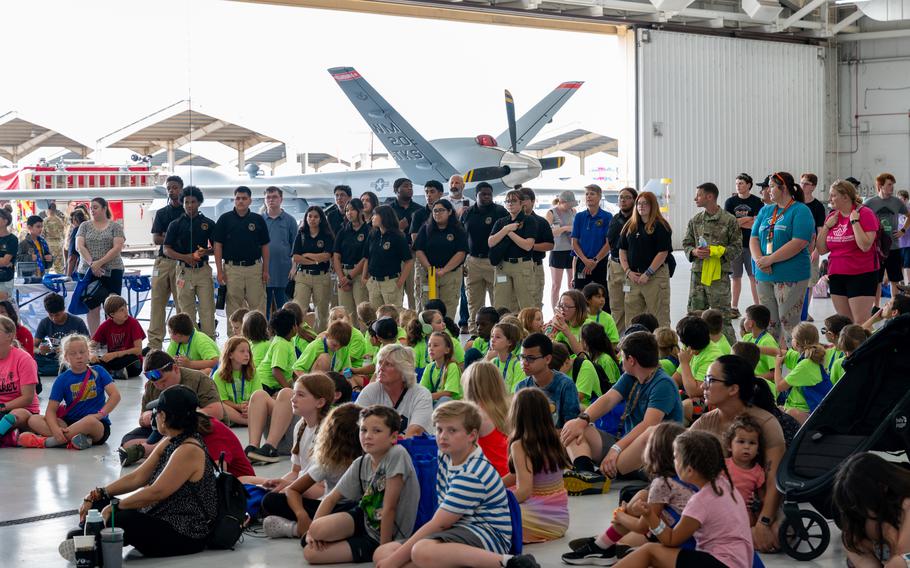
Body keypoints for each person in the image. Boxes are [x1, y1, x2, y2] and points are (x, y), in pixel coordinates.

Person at [372, 401, 539, 568]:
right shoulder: (446, 454)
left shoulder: (472, 472)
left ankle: (509, 563)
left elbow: (439, 523)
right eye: (439, 429)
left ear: (472, 435)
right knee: (383, 552)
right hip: (456, 530)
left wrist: (393, 562)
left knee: (420, 552)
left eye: (452, 430)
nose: (443, 436)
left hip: (485, 536)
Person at [67, 385, 218, 559]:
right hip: (160, 515)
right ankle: (90, 537)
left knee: (122, 519)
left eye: (157, 411)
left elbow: (156, 492)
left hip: (184, 531)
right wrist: (100, 493)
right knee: (100, 504)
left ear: (164, 416)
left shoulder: (189, 449)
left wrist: (115, 507)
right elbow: (137, 477)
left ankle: (90, 543)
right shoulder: (171, 439)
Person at [560, 331, 683, 493]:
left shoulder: (663, 384)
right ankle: (588, 474)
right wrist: (581, 421)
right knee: (572, 426)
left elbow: (648, 425)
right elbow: (608, 399)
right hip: (627, 446)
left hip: (652, 455)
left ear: (631, 360)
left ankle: (605, 473)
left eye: (622, 355)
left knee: (651, 434)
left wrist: (616, 449)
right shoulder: (631, 376)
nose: (619, 358)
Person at [614, 430, 753, 568]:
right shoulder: (725, 484)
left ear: (690, 470)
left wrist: (649, 515)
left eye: (675, 457)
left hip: (722, 563)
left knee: (649, 552)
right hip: (741, 561)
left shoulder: (700, 501)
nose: (673, 461)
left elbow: (670, 539)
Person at [690, 354, 786, 552]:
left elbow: (773, 481)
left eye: (710, 380)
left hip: (755, 507)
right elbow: (679, 462)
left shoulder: (766, 423)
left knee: (778, 536)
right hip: (712, 505)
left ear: (733, 389)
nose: (703, 386)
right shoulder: (705, 422)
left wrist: (764, 523)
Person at [303, 405, 420, 564]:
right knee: (314, 533)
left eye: (376, 431)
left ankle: (353, 543)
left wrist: (384, 549)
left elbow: (389, 508)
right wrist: (311, 534)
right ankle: (330, 536)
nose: (368, 436)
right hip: (363, 519)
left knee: (312, 554)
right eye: (363, 430)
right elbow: (330, 499)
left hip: (386, 535)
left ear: (393, 437)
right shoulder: (361, 462)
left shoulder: (397, 454)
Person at [562, 422, 690, 566]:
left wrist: (621, 515)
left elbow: (642, 526)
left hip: (678, 542)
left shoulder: (661, 484)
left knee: (635, 504)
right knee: (641, 495)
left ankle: (602, 546)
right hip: (685, 536)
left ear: (653, 453)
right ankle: (606, 546)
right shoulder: (685, 478)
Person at [261, 403, 364, 539]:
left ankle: (296, 529)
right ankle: (312, 528)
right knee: (270, 500)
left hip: (357, 509)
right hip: (331, 509)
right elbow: (292, 490)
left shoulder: (369, 458)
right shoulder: (329, 462)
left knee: (361, 512)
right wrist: (301, 514)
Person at [117, 351, 224, 467]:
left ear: (175, 368)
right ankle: (164, 449)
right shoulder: (152, 385)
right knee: (127, 441)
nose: (159, 386)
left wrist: (181, 416)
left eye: (164, 381)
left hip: (196, 427)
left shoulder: (199, 380)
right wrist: (146, 417)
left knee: (183, 434)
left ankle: (151, 450)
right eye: (156, 383)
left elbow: (217, 412)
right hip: (164, 429)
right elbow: (141, 419)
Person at [19, 334, 120, 449]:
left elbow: (115, 396)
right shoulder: (62, 379)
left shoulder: (99, 371)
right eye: (73, 353)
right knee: (33, 419)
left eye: (82, 352)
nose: (79, 356)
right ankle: (76, 439)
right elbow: (51, 411)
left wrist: (100, 415)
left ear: (88, 353)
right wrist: (55, 429)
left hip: (97, 425)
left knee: (89, 421)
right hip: (69, 423)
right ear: (66, 357)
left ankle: (47, 442)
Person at [750, 172, 815, 345]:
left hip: (790, 275)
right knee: (768, 324)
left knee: (788, 322)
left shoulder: (800, 210)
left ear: (783, 187)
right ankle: (773, 365)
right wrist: (759, 260)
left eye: (771, 187)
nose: (767, 190)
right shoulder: (766, 210)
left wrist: (770, 259)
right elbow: (754, 238)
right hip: (764, 275)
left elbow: (799, 242)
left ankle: (798, 363)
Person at [503, 388, 571, 543]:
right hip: (560, 518)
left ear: (516, 414)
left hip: (539, 517)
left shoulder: (520, 445)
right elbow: (519, 474)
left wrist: (495, 499)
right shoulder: (553, 439)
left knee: (485, 515)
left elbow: (525, 491)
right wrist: (494, 486)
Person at [682, 182, 741, 343]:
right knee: (694, 316)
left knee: (721, 317)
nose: (695, 198)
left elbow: (737, 247)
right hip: (698, 275)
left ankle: (728, 355)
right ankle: (694, 351)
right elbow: (687, 243)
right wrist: (694, 252)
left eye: (698, 195)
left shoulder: (729, 220)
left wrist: (717, 252)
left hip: (719, 277)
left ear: (710, 197)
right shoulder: (695, 220)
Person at [816, 179, 879, 324]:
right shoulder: (833, 216)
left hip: (861, 274)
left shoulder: (865, 213)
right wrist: (826, 227)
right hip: (837, 274)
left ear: (845, 197)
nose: (830, 199)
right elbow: (821, 249)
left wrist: (854, 222)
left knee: (861, 323)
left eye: (833, 195)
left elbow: (865, 246)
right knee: (845, 323)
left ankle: (867, 347)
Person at [833, 452, 910, 568]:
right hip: (889, 552)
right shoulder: (862, 514)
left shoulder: (906, 503)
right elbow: (852, 541)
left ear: (883, 486)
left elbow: (903, 551)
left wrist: (888, 532)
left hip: (902, 553)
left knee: (898, 563)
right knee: (853, 542)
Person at [163, 185, 216, 337]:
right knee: (186, 311)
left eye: (193, 202)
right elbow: (166, 249)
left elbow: (217, 249)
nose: (189, 205)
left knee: (207, 309)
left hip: (203, 270)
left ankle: (210, 345)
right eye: (186, 202)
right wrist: (185, 257)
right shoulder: (175, 224)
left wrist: (205, 251)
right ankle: (191, 345)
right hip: (183, 271)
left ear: (199, 202)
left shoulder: (208, 223)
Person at [213, 185, 271, 319]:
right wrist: (219, 271)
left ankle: (259, 338)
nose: (240, 201)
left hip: (254, 269)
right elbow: (218, 246)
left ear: (250, 200)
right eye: (237, 198)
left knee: (258, 308)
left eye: (244, 198)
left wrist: (265, 270)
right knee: (234, 309)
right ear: (234, 200)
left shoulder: (258, 219)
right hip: (232, 269)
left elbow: (265, 246)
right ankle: (234, 338)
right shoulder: (225, 219)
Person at [355, 343, 433, 437]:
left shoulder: (421, 394)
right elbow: (354, 424)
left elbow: (415, 433)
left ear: (403, 369)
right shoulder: (371, 390)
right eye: (380, 362)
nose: (381, 368)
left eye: (388, 364)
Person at [619, 192, 673, 327]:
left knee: (659, 317)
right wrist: (628, 272)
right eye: (639, 203)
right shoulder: (630, 226)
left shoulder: (660, 226)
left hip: (654, 277)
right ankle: (633, 345)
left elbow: (663, 252)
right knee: (632, 318)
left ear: (653, 205)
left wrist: (648, 273)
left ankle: (662, 347)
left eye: (645, 203)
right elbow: (622, 250)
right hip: (633, 277)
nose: (641, 206)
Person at [461, 182, 509, 332]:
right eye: (483, 194)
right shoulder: (467, 212)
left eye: (489, 194)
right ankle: (475, 332)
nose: (487, 197)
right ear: (476, 195)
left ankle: (498, 331)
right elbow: (462, 237)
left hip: (493, 262)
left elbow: (506, 237)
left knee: (498, 300)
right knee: (473, 302)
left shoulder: (500, 211)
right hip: (473, 262)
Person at [75, 197, 125, 333]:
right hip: (88, 271)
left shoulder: (115, 226)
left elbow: (117, 248)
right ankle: (95, 339)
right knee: (92, 306)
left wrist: (99, 263)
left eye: (95, 207)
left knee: (112, 306)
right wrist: (92, 264)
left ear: (104, 208)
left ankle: (113, 338)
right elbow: (79, 246)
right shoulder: (84, 226)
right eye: (91, 208)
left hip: (112, 271)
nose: (92, 210)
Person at [147, 175, 185, 350]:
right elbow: (156, 239)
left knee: (182, 304)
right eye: (169, 188)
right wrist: (175, 238)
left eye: (175, 187)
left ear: (182, 189)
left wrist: (169, 238)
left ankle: (181, 343)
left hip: (182, 264)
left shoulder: (188, 213)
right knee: (157, 304)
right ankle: (155, 345)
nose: (172, 190)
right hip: (163, 263)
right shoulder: (162, 213)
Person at [414, 198, 469, 315]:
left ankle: (447, 332)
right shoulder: (426, 228)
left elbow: (461, 253)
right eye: (435, 211)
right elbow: (419, 250)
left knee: (448, 307)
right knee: (428, 308)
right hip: (430, 274)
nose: (437, 213)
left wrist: (444, 270)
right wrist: (430, 268)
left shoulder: (458, 229)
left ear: (449, 212)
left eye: (441, 210)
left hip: (450, 274)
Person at [513, 333, 579, 428]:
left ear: (547, 359)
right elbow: (519, 425)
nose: (524, 363)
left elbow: (571, 427)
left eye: (531, 358)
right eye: (522, 357)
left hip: (559, 440)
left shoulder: (565, 385)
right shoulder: (521, 387)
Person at [865, 172, 910, 306]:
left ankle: (894, 306)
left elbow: (909, 215)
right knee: (877, 280)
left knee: (894, 279)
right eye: (889, 185)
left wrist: (903, 230)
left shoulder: (897, 202)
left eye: (892, 185)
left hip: (894, 247)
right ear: (880, 186)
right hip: (877, 249)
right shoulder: (870, 203)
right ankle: (876, 307)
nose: (892, 188)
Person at [488, 189, 536, 312]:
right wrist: (506, 229)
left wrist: (509, 233)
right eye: (507, 201)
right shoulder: (501, 222)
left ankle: (529, 330)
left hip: (522, 266)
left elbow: (527, 245)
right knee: (501, 303)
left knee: (526, 304)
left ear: (521, 203)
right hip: (503, 266)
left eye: (514, 201)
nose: (510, 204)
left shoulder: (529, 220)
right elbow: (491, 242)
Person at [774, 322, 830, 424]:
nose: (791, 341)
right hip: (806, 409)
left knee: (789, 413)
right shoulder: (806, 357)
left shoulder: (805, 364)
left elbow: (779, 387)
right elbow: (779, 351)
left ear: (797, 343)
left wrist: (777, 365)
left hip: (810, 413)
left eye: (793, 338)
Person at [461, 361, 510, 477]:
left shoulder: (476, 415)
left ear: (469, 386)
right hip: (510, 475)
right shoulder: (508, 408)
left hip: (490, 480)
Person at [725, 173, 763, 317]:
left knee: (754, 277)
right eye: (737, 183)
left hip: (752, 245)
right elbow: (730, 224)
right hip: (735, 245)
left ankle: (757, 307)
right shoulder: (730, 202)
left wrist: (740, 221)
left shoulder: (757, 202)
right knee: (735, 278)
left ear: (748, 185)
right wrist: (748, 219)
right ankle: (734, 307)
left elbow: (757, 224)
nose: (738, 186)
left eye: (741, 183)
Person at [293, 205, 336, 332]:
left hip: (321, 276)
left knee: (322, 311)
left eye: (316, 217)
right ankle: (298, 337)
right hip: (303, 276)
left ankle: (319, 338)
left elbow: (327, 255)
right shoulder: (301, 234)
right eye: (310, 216)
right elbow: (296, 257)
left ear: (321, 219)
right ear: (306, 218)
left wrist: (307, 255)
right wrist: (316, 261)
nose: (312, 219)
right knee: (299, 309)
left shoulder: (326, 235)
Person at [365, 205, 413, 309]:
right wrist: (365, 278)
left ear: (384, 216)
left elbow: (408, 261)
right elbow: (367, 257)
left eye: (375, 215)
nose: (372, 218)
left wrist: (400, 282)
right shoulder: (373, 235)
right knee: (376, 317)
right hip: (374, 282)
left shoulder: (397, 236)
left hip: (391, 282)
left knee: (393, 317)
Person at [570, 185, 612, 301]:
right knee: (580, 297)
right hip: (582, 262)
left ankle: (602, 319)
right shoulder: (579, 217)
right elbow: (574, 242)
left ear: (599, 197)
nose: (589, 196)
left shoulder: (607, 217)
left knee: (602, 296)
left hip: (600, 263)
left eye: (592, 194)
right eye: (587, 194)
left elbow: (608, 244)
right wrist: (585, 261)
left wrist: (594, 261)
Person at [0, 315, 39, 438]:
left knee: (14, 415)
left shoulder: (24, 359)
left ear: (10, 335)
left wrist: (2, 407)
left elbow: (27, 398)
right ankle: (10, 437)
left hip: (23, 409)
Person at [262, 186, 298, 318]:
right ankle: (264, 335)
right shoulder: (259, 220)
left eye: (275, 197)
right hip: (263, 273)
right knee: (263, 310)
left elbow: (296, 248)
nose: (271, 200)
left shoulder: (290, 221)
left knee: (284, 311)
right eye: (268, 197)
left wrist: (294, 268)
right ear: (264, 200)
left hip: (284, 272)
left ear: (281, 199)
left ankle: (284, 336)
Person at [335, 198, 371, 329]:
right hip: (343, 273)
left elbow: (366, 257)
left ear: (360, 210)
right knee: (346, 313)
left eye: (352, 210)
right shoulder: (343, 231)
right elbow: (336, 256)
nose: (349, 213)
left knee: (362, 311)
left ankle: (365, 341)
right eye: (347, 210)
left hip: (359, 274)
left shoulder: (368, 230)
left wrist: (350, 277)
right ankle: (349, 342)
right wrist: (342, 278)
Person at [34, 292, 89, 376]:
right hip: (52, 358)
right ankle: (62, 368)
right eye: (50, 315)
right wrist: (40, 350)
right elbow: (33, 346)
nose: (53, 318)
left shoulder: (77, 322)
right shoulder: (44, 322)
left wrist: (67, 351)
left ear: (63, 309)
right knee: (32, 357)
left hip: (71, 358)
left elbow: (88, 346)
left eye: (57, 315)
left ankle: (58, 368)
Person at [605, 187, 637, 331]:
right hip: (615, 266)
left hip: (631, 269)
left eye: (627, 197)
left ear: (635, 200)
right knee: (616, 306)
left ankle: (632, 337)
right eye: (620, 197)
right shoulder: (614, 219)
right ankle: (617, 342)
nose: (623, 200)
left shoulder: (639, 220)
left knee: (632, 306)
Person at [91, 295, 145, 379]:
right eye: (121, 310)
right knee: (93, 361)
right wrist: (91, 355)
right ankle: (115, 373)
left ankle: (108, 373)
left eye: (126, 308)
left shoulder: (133, 323)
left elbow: (138, 350)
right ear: (112, 314)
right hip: (114, 361)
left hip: (128, 360)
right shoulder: (105, 325)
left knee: (135, 361)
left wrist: (115, 354)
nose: (126, 312)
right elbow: (91, 345)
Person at [723, 415, 765, 522]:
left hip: (745, 516)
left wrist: (757, 503)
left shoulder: (758, 472)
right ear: (729, 445)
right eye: (741, 442)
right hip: (721, 512)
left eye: (752, 443)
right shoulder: (722, 465)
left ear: (758, 449)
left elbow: (762, 499)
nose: (747, 446)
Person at [389, 178, 422, 309]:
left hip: (413, 256)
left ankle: (414, 324)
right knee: (395, 295)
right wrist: (399, 228)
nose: (410, 188)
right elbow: (384, 233)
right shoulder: (388, 210)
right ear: (396, 190)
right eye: (405, 186)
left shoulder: (419, 210)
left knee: (414, 293)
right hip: (394, 258)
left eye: (411, 186)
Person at [213, 336, 261, 426]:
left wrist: (249, 407)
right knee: (219, 405)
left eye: (248, 351)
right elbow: (222, 400)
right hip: (230, 410)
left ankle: (248, 419)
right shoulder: (219, 374)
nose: (247, 354)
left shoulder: (253, 372)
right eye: (242, 351)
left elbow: (258, 395)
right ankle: (247, 422)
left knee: (262, 402)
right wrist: (238, 406)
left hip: (248, 409)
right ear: (230, 355)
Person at [520, 188, 554, 309]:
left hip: (534, 265)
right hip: (513, 266)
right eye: (519, 199)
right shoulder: (509, 221)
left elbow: (550, 245)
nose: (521, 202)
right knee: (514, 304)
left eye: (524, 199)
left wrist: (529, 245)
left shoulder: (541, 222)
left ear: (533, 201)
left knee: (534, 304)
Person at [800, 173, 827, 320]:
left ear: (813, 187)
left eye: (806, 184)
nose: (802, 186)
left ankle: (805, 311)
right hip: (794, 248)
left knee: (809, 283)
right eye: (801, 183)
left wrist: (817, 250)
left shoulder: (817, 206)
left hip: (811, 249)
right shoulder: (795, 203)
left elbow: (820, 231)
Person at [545, 190, 578, 308]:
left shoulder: (573, 211)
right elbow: (547, 233)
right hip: (557, 251)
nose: (571, 207)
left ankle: (572, 308)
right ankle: (555, 311)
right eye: (569, 204)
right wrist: (564, 228)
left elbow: (577, 229)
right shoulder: (551, 213)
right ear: (562, 202)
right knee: (556, 285)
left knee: (572, 283)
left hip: (571, 250)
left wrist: (571, 229)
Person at [421, 331, 461, 404]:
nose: (431, 348)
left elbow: (448, 393)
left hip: (454, 406)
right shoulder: (429, 367)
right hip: (436, 402)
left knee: (444, 399)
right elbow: (422, 390)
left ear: (447, 350)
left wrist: (427, 397)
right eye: (429, 345)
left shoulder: (452, 366)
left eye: (435, 345)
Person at [489, 322, 525, 393]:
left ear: (509, 342)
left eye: (498, 337)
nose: (492, 340)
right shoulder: (492, 362)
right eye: (492, 336)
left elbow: (515, 395)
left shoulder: (517, 365)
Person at [41, 200, 66, 273]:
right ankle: (59, 281)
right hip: (58, 245)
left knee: (47, 266)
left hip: (48, 245)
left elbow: (42, 234)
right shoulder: (60, 220)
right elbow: (63, 234)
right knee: (59, 268)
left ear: (48, 209)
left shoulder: (45, 221)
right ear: (55, 209)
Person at [64, 209, 87, 278]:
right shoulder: (90, 229)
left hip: (82, 269)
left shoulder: (77, 230)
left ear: (74, 220)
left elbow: (72, 257)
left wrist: (68, 276)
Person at [0, 207, 17, 301]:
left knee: (3, 310)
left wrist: (4, 262)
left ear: (5, 221)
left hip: (4, 280)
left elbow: (5, 261)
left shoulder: (12, 239)